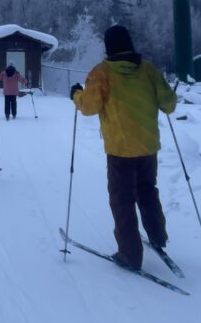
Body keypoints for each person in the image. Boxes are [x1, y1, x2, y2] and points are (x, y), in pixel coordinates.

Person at [71, 24, 177, 271]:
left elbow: (89, 106)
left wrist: (76, 94)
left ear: (108, 47)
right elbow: (169, 104)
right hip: (148, 146)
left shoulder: (102, 73)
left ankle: (130, 254)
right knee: (147, 190)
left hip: (120, 149)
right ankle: (158, 236)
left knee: (122, 199)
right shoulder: (148, 70)